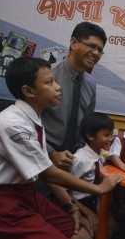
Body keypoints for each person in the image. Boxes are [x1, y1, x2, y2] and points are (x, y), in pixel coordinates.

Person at [0, 57, 123, 239]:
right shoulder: (12, 123)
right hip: (0, 201)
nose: (58, 88)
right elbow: (48, 172)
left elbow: (42, 169)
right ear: (29, 91)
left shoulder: (34, 118)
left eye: (55, 81)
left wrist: (71, 206)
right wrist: (99, 189)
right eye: (49, 83)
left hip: (27, 193)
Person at [42, 21, 107, 170]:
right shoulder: (47, 74)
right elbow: (27, 124)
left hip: (74, 162)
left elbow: (87, 126)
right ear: (74, 43)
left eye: (100, 50)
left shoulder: (90, 83)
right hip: (42, 158)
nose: (96, 53)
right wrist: (51, 153)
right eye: (91, 46)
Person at [69, 112, 118, 239]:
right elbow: (67, 191)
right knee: (104, 235)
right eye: (106, 135)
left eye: (111, 134)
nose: (110, 139)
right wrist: (86, 212)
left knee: (114, 228)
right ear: (90, 135)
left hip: (95, 200)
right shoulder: (80, 159)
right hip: (80, 202)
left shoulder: (102, 154)